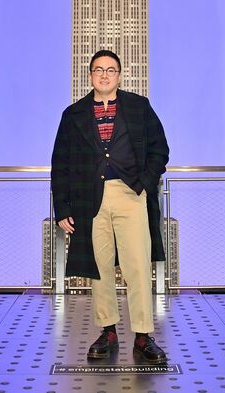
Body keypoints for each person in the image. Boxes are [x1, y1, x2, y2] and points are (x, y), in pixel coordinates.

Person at [51, 49, 170, 364]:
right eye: (98, 69)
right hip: (89, 199)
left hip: (131, 195)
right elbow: (59, 164)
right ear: (90, 75)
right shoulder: (73, 114)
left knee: (138, 267)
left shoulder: (138, 107)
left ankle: (143, 336)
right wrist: (62, 209)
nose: (104, 74)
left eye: (111, 69)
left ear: (119, 75)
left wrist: (144, 182)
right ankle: (108, 331)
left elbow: (161, 150)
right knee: (99, 268)